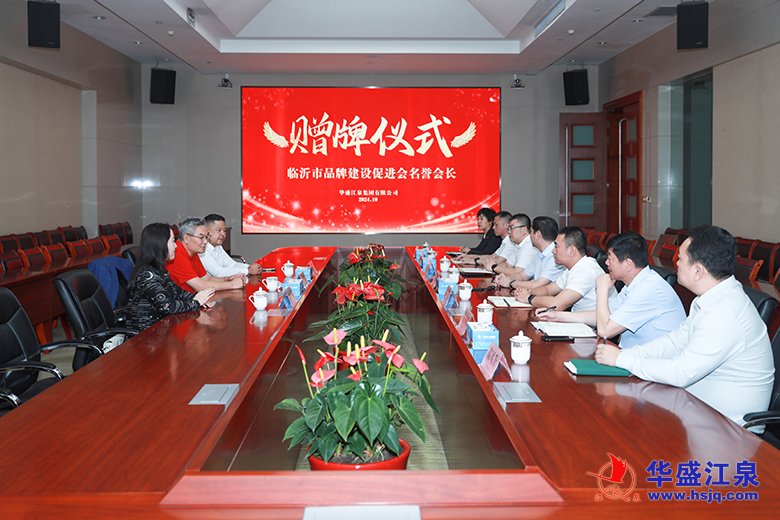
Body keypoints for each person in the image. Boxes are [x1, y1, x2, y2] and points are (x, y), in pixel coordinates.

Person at [595, 225, 774, 427]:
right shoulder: (709, 299)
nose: (676, 263)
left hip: (727, 428)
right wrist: (627, 355)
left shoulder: (725, 312)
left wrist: (623, 359)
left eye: (680, 259)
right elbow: (675, 342)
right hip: (694, 410)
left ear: (698, 271)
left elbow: (681, 373)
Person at [536, 232, 685, 347]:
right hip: (631, 358)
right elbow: (603, 317)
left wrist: (602, 289)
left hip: (649, 367)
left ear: (628, 264)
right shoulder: (636, 283)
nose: (606, 263)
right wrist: (557, 316)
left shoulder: (648, 289)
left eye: (610, 258)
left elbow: (605, 331)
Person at [125, 223, 214, 331]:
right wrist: (196, 302)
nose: (176, 246)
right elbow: (168, 307)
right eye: (173, 241)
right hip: (146, 335)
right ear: (161, 244)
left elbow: (179, 293)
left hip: (162, 329)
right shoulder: (147, 275)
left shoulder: (159, 269)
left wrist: (199, 298)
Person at [514, 226, 615, 311]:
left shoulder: (586, 269)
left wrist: (528, 298)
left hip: (593, 326)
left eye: (556, 246)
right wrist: (528, 291)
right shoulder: (573, 268)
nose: (553, 251)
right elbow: (547, 290)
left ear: (571, 251)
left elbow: (556, 304)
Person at [166, 218, 245, 293]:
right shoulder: (177, 254)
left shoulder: (193, 251)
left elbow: (206, 279)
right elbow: (200, 287)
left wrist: (227, 279)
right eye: (201, 237)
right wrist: (232, 285)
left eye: (206, 237)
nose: (205, 242)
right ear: (186, 238)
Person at [495, 216, 564, 291]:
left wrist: (510, 283)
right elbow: (522, 275)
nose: (529, 235)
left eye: (531, 232)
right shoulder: (540, 253)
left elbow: (537, 284)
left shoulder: (555, 256)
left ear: (537, 235)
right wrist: (505, 278)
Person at [493, 213, 538, 278]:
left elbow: (518, 272)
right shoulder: (517, 244)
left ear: (524, 229)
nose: (509, 232)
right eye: (508, 229)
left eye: (511, 228)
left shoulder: (529, 245)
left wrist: (494, 267)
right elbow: (507, 264)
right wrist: (493, 267)